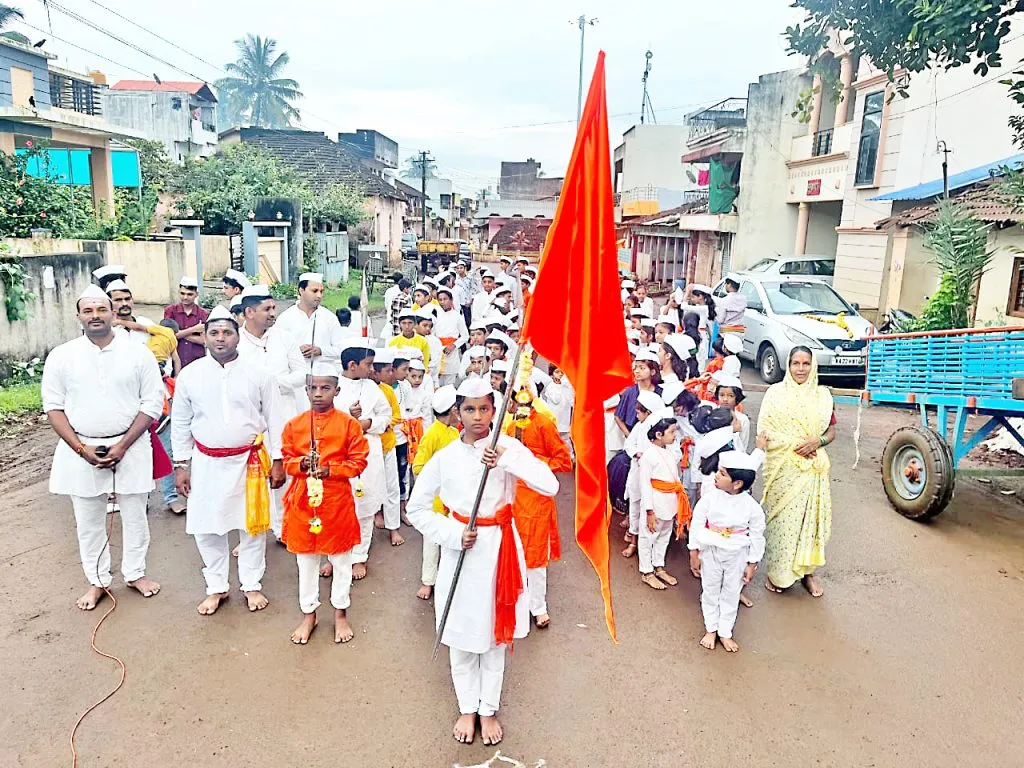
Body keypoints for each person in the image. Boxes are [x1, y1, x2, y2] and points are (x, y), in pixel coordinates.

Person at [406, 378, 559, 747]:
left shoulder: (508, 446)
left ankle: (488, 708)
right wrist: (452, 534)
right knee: (460, 635)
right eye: (470, 409)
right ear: (457, 412)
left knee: (494, 637)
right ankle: (467, 707)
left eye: (485, 408)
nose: (478, 416)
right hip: (462, 548)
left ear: (495, 410)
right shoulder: (445, 458)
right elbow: (416, 508)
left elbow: (550, 485)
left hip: (501, 550)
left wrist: (506, 459)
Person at [42, 284, 165, 611]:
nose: (95, 316)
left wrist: (123, 445)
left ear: (113, 313)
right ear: (78, 316)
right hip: (79, 448)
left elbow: (153, 402)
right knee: (88, 520)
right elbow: (53, 407)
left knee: (136, 515)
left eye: (101, 309)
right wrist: (81, 448)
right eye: (88, 310)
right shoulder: (62, 355)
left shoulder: (137, 352)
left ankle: (135, 573)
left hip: (132, 445)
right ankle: (97, 580)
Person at [171, 305, 287, 615]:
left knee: (252, 527)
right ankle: (217, 588)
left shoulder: (259, 373)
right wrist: (181, 465)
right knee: (207, 528)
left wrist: (278, 459)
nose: (220, 339)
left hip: (248, 463)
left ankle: (251, 585)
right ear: (204, 337)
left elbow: (275, 418)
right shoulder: (190, 375)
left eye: (227, 332)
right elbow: (180, 422)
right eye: (214, 333)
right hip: (205, 463)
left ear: (238, 336)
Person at [281, 364, 370, 645]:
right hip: (303, 501)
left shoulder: (348, 424)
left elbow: (359, 462)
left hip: (336, 503)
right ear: (306, 390)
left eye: (325, 388)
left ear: (337, 390)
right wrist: (300, 464)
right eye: (312, 388)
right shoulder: (294, 425)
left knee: (341, 561)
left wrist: (331, 470)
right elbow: (286, 461)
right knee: (305, 561)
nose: (318, 394)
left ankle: (340, 612)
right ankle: (309, 613)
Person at [758, 347, 835, 598]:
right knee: (782, 522)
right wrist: (793, 444)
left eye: (805, 363)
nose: (800, 369)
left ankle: (807, 573)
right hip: (783, 469)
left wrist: (817, 442)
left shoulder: (822, 396)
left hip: (812, 468)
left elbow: (831, 431)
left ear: (813, 366)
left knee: (809, 522)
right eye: (795, 363)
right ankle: (777, 573)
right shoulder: (775, 394)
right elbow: (764, 433)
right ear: (787, 365)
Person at [503, 385, 572, 628]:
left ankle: (538, 606)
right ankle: (516, 600)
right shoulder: (511, 428)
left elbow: (564, 461)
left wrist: (533, 463)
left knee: (535, 554)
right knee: (513, 550)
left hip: (538, 499)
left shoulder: (543, 424)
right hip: (513, 499)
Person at [688, 450, 766, 652]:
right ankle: (711, 628)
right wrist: (693, 552)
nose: (716, 475)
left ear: (737, 483)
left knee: (731, 593)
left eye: (722, 474)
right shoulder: (709, 498)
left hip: (737, 555)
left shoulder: (752, 508)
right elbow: (697, 523)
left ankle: (725, 632)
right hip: (711, 550)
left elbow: (757, 535)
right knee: (711, 589)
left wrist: (752, 563)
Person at [411, 385, 461, 601]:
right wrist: (439, 480)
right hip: (436, 501)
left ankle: (450, 579)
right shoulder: (431, 435)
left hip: (455, 498)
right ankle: (428, 581)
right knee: (432, 542)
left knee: (452, 539)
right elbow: (418, 466)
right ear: (452, 411)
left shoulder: (455, 432)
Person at [637, 414, 685, 590]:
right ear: (658, 435)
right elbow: (644, 485)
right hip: (655, 504)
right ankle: (646, 571)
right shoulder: (648, 456)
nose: (674, 436)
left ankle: (658, 566)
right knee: (648, 537)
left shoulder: (670, 452)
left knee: (664, 537)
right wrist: (649, 511)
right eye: (671, 432)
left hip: (670, 502)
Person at [367, 348, 405, 547]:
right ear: (374, 371)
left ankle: (393, 528)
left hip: (387, 446)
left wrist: (380, 424)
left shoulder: (388, 391)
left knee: (392, 488)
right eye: (388, 370)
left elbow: (396, 416)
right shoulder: (362, 389)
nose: (392, 374)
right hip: (365, 450)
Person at [274, 272, 345, 378]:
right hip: (295, 380)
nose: (319, 295)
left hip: (324, 378)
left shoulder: (329, 318)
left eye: (321, 291)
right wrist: (296, 351)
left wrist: (320, 351)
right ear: (301, 290)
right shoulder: (285, 318)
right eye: (314, 291)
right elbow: (276, 351)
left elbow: (341, 349)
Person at [163, 276, 209, 369]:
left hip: (197, 362)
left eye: (189, 294)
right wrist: (194, 329)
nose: (185, 297)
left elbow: (204, 340)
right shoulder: (170, 311)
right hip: (175, 363)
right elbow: (167, 336)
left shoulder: (204, 314)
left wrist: (179, 333)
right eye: (182, 293)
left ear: (196, 294)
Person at [433, 286, 470, 387]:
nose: (442, 302)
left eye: (445, 299)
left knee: (449, 384)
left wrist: (453, 345)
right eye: (440, 300)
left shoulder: (457, 316)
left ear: (451, 300)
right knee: (436, 383)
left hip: (451, 352)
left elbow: (465, 336)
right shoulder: (435, 314)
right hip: (438, 351)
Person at [540, 364, 574, 461]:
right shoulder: (550, 386)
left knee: (566, 438)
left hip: (565, 417)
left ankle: (570, 457)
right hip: (554, 418)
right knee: (553, 439)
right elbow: (556, 399)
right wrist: (563, 386)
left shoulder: (567, 386)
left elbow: (572, 401)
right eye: (557, 372)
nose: (560, 375)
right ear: (552, 374)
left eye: (562, 372)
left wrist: (567, 385)